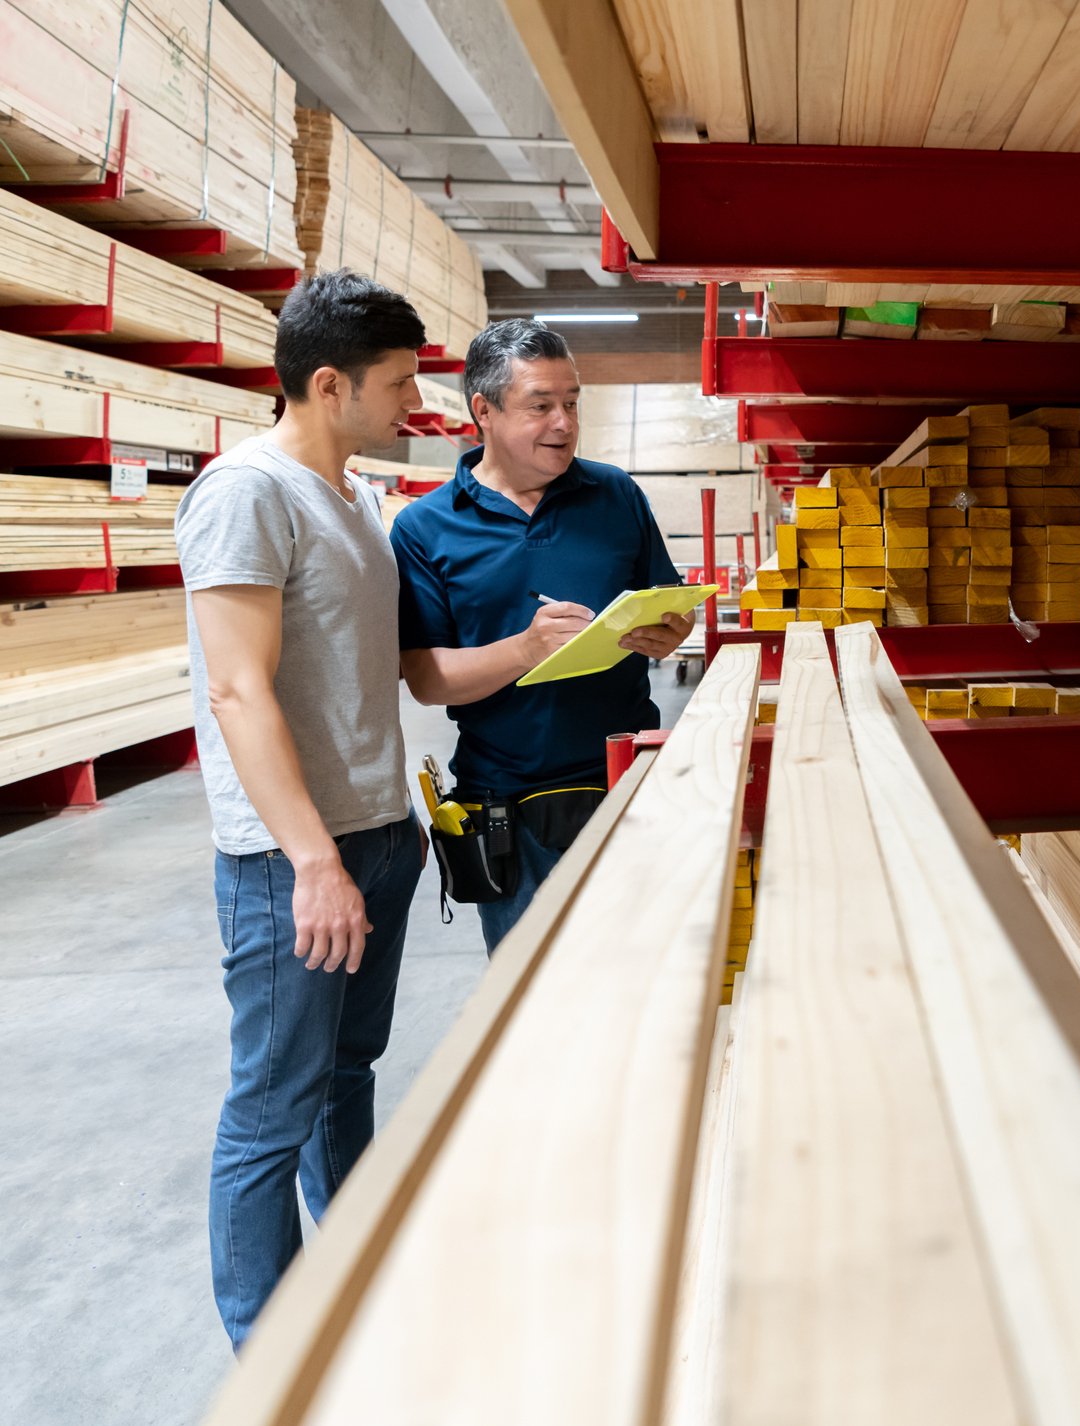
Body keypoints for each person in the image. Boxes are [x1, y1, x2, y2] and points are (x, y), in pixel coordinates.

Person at [176, 269, 430, 1349]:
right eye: (397, 385)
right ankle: (269, 1350)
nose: (411, 405)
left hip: (376, 837)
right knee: (273, 1108)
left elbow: (392, 668)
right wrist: (314, 863)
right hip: (296, 862)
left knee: (344, 1078)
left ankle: (348, 1278)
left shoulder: (356, 498)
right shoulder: (247, 494)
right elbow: (238, 688)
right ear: (328, 385)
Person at [390, 319, 691, 951]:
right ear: (484, 411)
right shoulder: (425, 528)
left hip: (625, 780)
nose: (565, 422)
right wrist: (526, 648)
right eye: (541, 406)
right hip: (509, 807)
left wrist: (671, 630)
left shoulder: (615, 494)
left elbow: (668, 604)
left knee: (641, 984)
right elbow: (425, 678)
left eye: (573, 403)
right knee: (532, 1005)